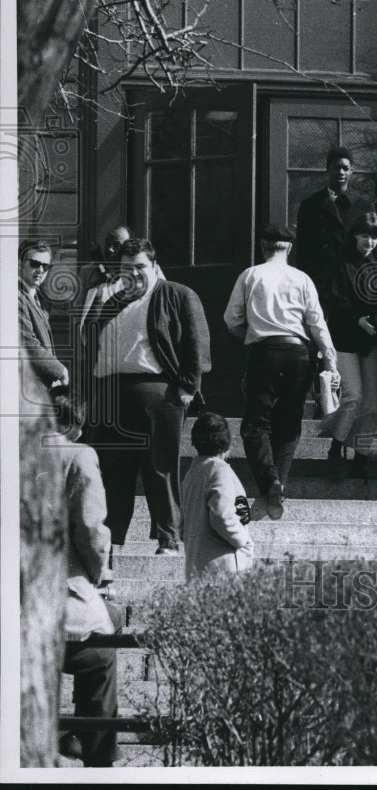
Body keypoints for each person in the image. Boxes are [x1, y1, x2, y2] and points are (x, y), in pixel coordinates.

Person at [85, 237, 211, 554]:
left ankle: (169, 539)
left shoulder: (177, 294)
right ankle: (111, 542)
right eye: (127, 268)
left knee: (160, 468)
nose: (134, 273)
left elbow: (197, 342)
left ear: (154, 266)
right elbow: (92, 345)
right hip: (112, 393)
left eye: (140, 266)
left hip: (157, 394)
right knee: (113, 471)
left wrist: (187, 386)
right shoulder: (112, 300)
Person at [223, 224, 340, 520]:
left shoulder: (250, 275)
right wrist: (330, 359)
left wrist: (252, 333)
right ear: (289, 248)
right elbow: (317, 323)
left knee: (256, 423)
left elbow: (231, 319)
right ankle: (281, 481)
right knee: (289, 422)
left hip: (264, 351)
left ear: (263, 247)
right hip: (298, 353)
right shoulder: (301, 279)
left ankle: (269, 481)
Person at [52, 390, 124, 768]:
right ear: (77, 426)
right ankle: (95, 750)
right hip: (59, 597)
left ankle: (75, 734)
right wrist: (99, 574)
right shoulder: (78, 455)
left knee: (107, 619)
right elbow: (91, 529)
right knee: (101, 652)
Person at [324, 212, 377, 481]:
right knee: (353, 398)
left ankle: (361, 455)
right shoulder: (339, 264)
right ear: (353, 235)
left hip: (373, 340)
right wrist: (356, 319)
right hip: (345, 338)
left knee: (373, 404)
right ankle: (335, 448)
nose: (369, 241)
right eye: (364, 234)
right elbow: (332, 302)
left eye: (374, 236)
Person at [181, 412, 255, 580]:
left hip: (198, 564)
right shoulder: (220, 470)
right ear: (226, 441)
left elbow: (182, 525)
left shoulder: (192, 473)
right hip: (223, 565)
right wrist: (243, 540)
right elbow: (222, 517)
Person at [293, 146, 368, 306]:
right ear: (327, 169)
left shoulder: (363, 206)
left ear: (351, 171)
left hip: (351, 279)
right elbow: (302, 248)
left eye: (345, 168)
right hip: (320, 281)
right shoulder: (311, 204)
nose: (341, 172)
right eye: (336, 167)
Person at [78, 225, 166, 340]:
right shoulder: (88, 271)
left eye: (116, 245)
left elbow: (161, 305)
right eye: (107, 244)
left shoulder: (149, 269)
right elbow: (77, 313)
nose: (110, 249)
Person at [18, 238, 69, 391]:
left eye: (46, 266)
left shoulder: (37, 297)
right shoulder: (16, 297)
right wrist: (60, 371)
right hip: (25, 385)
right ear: (20, 264)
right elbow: (28, 344)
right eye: (34, 264)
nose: (41, 270)